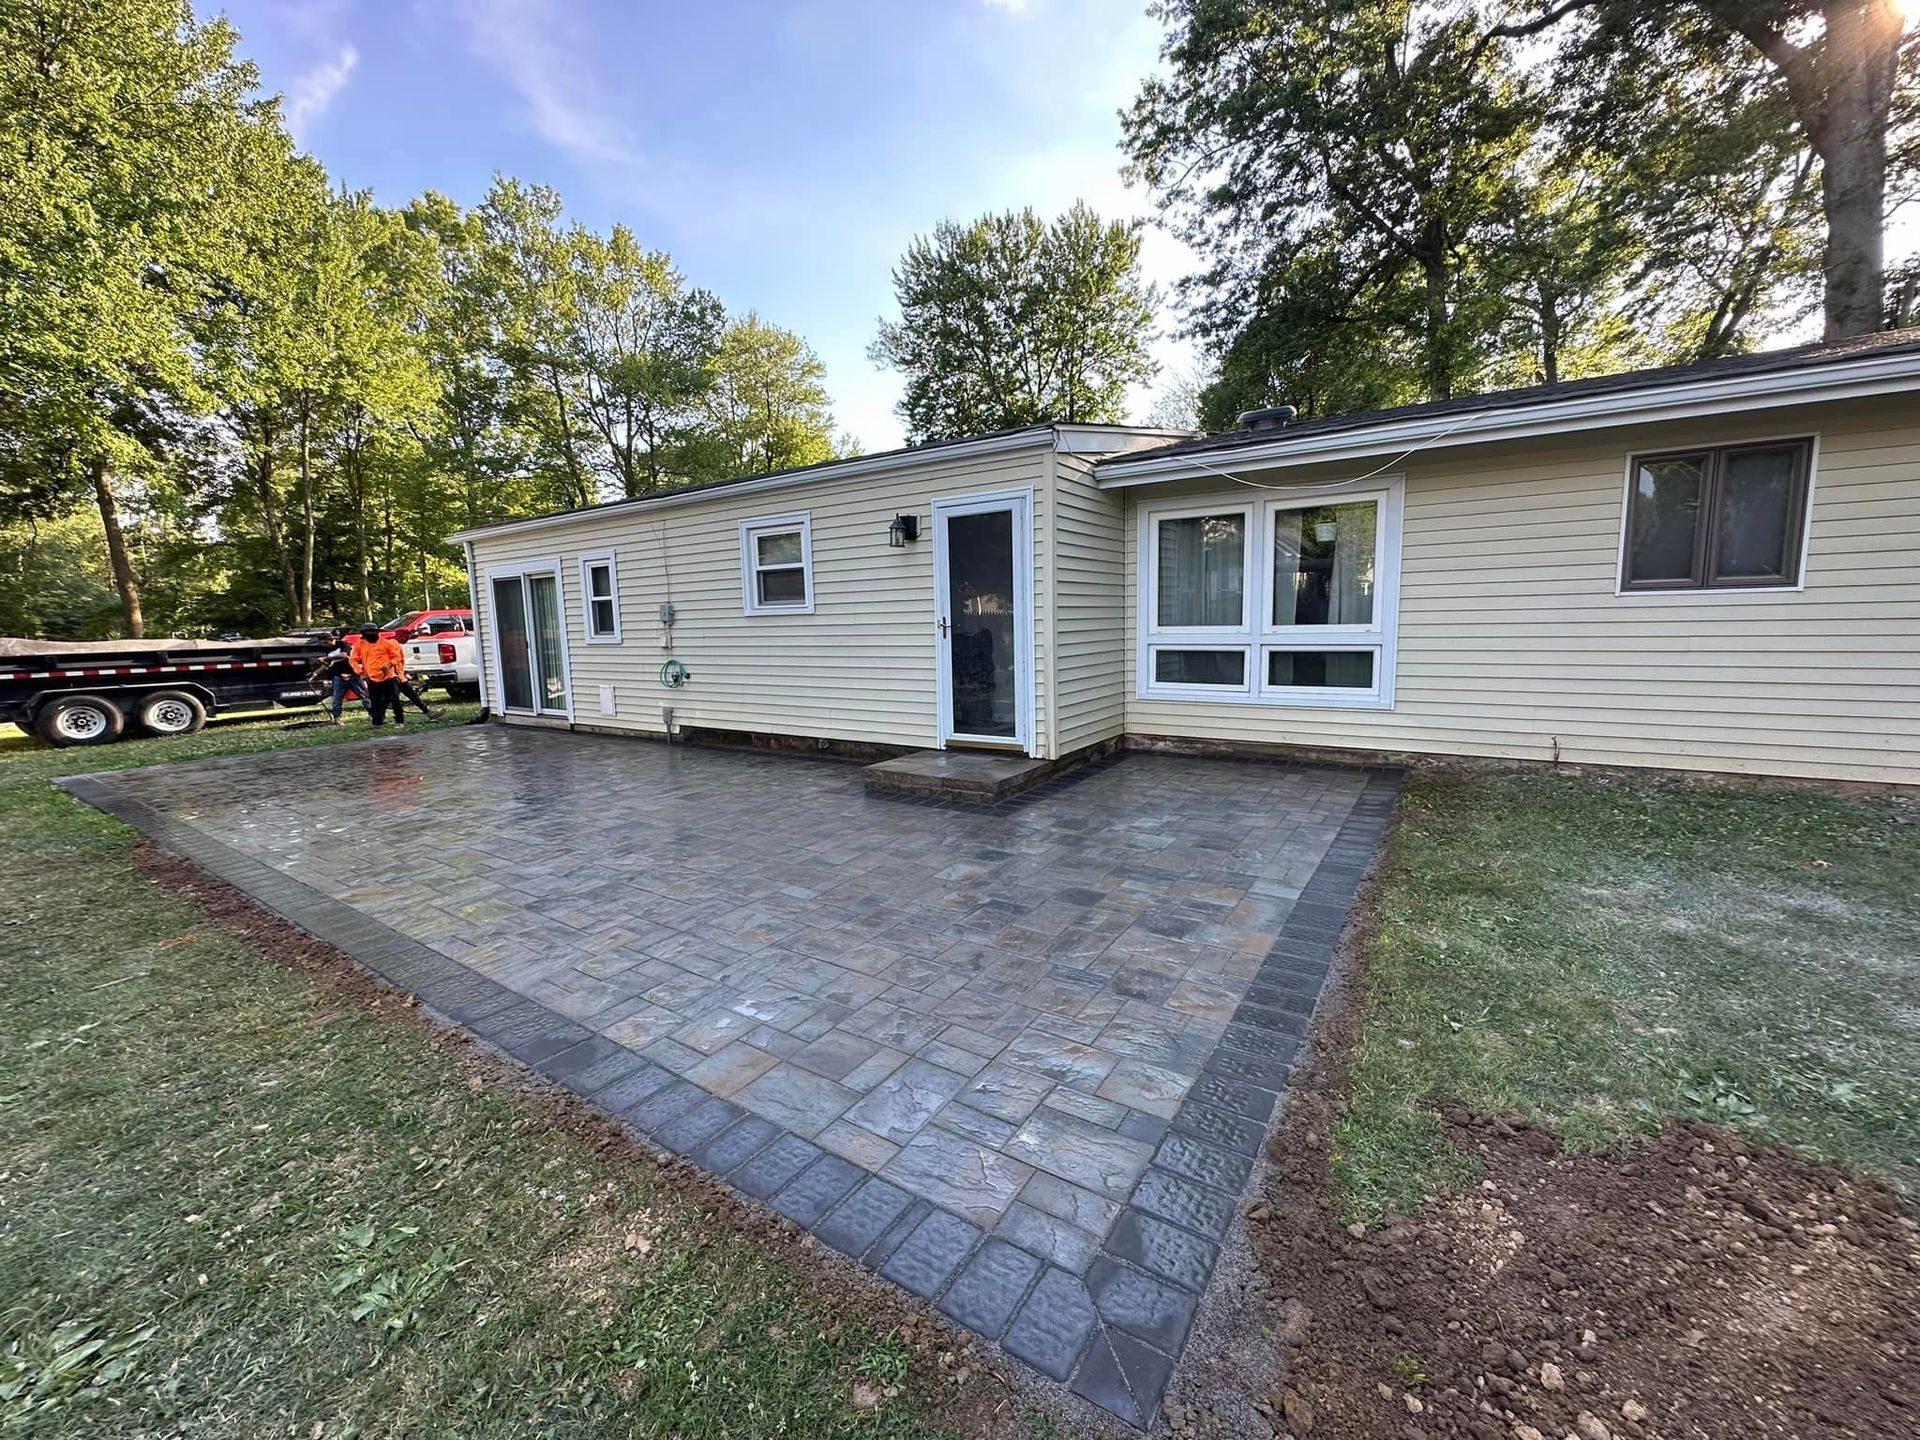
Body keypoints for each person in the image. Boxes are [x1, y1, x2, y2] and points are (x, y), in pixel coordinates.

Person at [350, 623, 409, 727]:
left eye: (373, 631)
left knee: (394, 699)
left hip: (389, 676)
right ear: (364, 634)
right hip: (371, 678)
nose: (371, 634)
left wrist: (390, 664)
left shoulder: (386, 643)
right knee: (375, 701)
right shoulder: (359, 645)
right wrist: (360, 672)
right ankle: (377, 722)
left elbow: (396, 657)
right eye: (368, 632)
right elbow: (353, 660)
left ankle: (399, 721)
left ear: (378, 632)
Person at [309, 632, 366, 723]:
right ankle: (336, 718)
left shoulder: (344, 645)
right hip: (339, 677)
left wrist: (325, 658)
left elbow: (343, 656)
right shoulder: (328, 651)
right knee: (337, 699)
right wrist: (315, 674)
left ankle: (373, 713)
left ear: (332, 639)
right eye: (322, 643)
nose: (324, 645)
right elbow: (328, 664)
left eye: (325, 643)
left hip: (353, 675)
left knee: (363, 695)